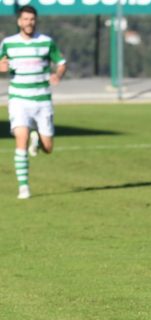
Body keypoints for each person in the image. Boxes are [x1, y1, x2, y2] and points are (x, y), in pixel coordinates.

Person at [0, 5, 66, 200]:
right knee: (21, 138)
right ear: (19, 21)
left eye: (32, 19)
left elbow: (61, 63)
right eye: (25, 19)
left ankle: (38, 139)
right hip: (19, 99)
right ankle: (24, 187)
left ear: (35, 21)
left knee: (48, 148)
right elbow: (1, 61)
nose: (29, 22)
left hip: (42, 100)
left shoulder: (46, 42)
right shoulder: (8, 43)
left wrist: (58, 75)